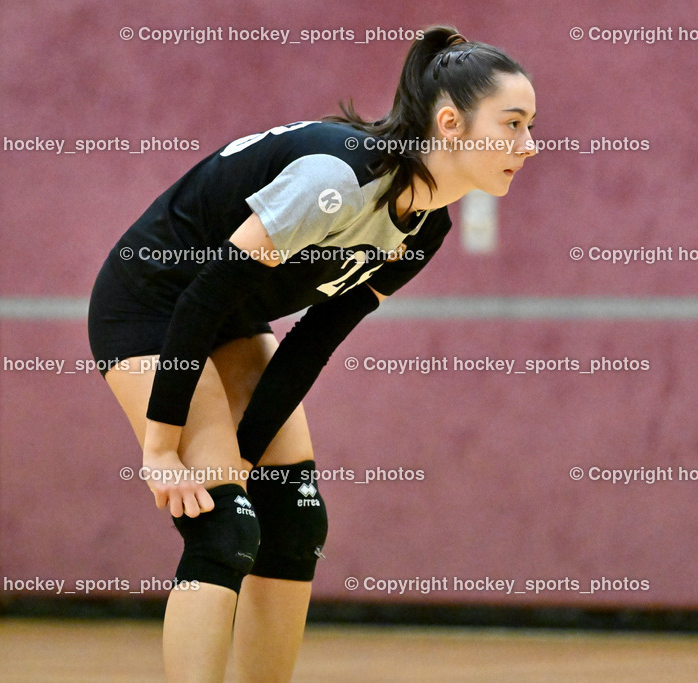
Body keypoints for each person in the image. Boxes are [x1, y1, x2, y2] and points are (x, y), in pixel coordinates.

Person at [87, 25, 536, 682]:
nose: (530, 144)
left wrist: (246, 453)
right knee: (224, 526)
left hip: (231, 316)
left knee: (294, 517)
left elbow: (313, 341)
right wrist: (161, 452)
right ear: (450, 123)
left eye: (531, 127)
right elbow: (204, 294)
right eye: (514, 124)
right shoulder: (336, 178)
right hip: (151, 303)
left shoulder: (425, 226)